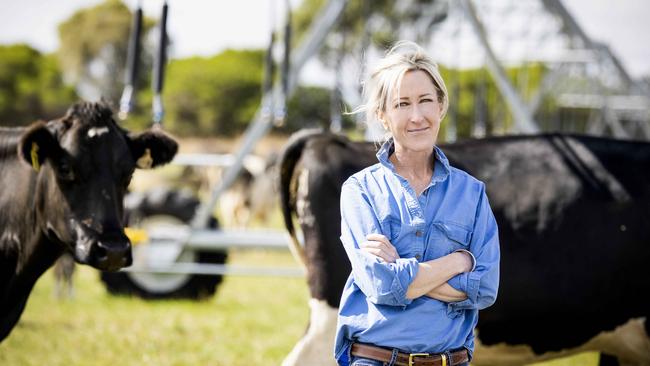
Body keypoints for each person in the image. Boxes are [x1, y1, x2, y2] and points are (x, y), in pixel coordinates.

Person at [334, 41, 500, 366]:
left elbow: (486, 288)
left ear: (441, 106)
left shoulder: (472, 193)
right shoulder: (360, 191)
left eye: (425, 100)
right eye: (402, 104)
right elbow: (379, 285)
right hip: (376, 359)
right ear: (383, 116)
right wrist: (458, 261)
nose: (417, 116)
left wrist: (404, 272)